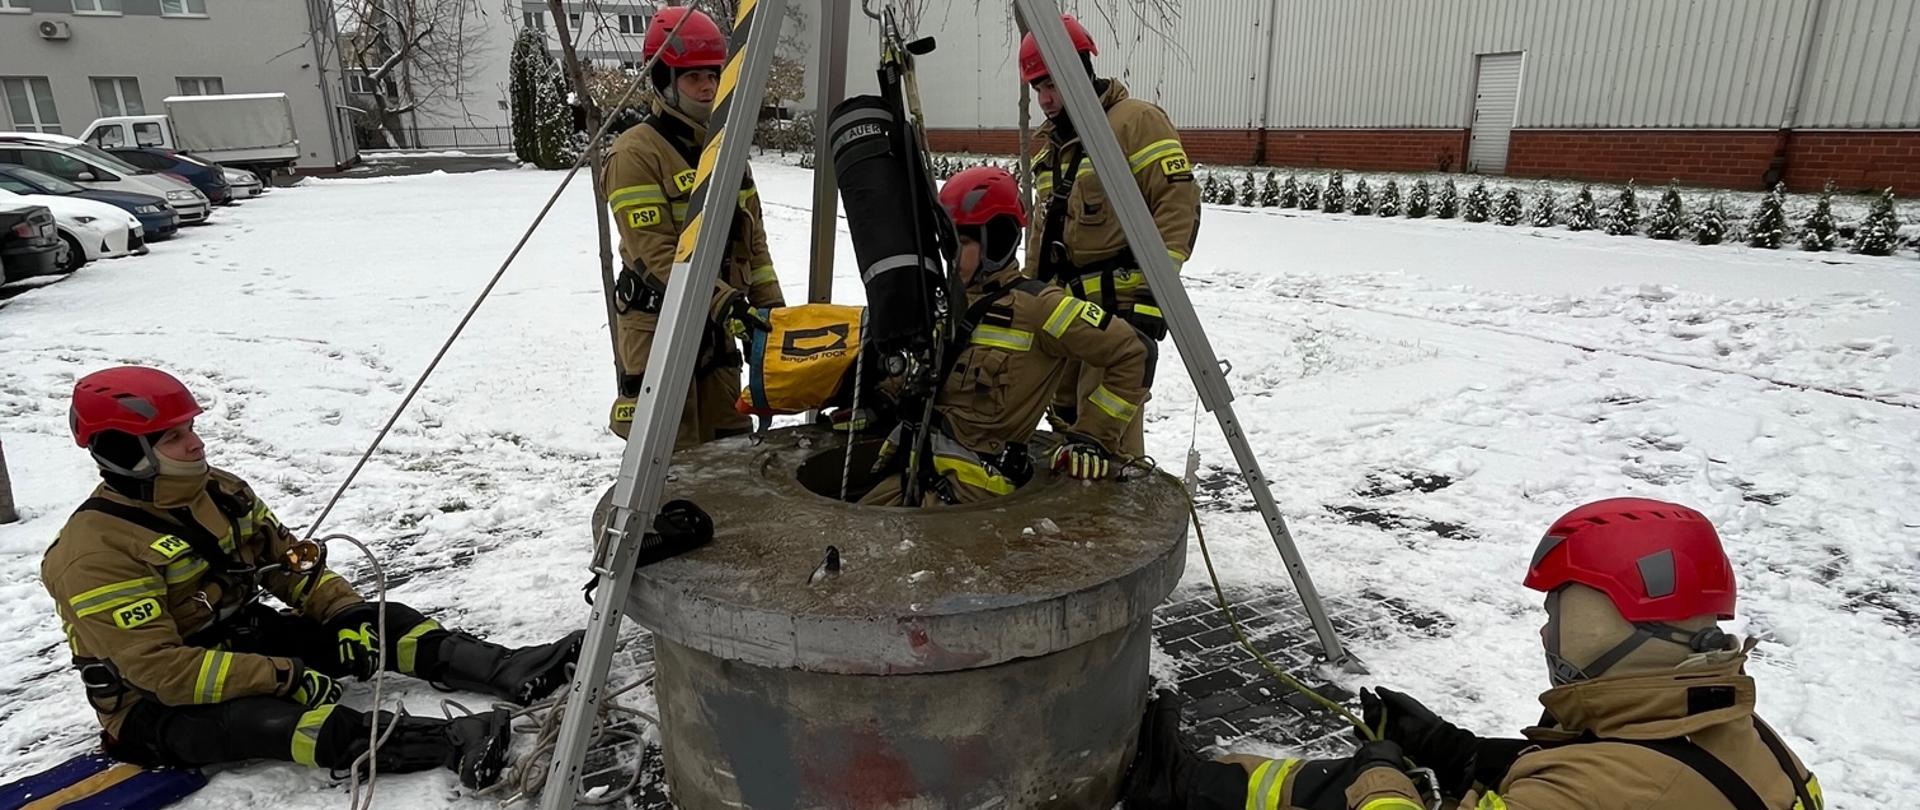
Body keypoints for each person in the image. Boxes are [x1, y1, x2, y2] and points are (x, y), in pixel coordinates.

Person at [43, 366, 584, 788]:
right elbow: (162, 672)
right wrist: (284, 677)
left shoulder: (221, 491)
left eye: (192, 428)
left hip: (238, 641)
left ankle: (511, 670)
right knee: (273, 721)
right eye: (173, 437)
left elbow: (289, 566)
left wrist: (344, 613)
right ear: (124, 454)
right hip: (153, 704)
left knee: (383, 623)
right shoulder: (93, 554)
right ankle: (451, 741)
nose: (196, 444)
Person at [1125, 497, 1825, 810]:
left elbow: (1592, 787)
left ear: (1638, 631)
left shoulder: (1585, 792)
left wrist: (1380, 779)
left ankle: (1184, 790)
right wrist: (1456, 750)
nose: (1550, 636)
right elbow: (1629, 768)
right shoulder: (1739, 732)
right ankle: (1201, 787)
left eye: (1569, 615)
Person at [860, 167, 1156, 506]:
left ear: (997, 241)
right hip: (915, 467)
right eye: (948, 241)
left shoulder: (1040, 309)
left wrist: (1092, 436)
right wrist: (883, 398)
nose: (951, 255)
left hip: (972, 493)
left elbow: (1136, 352)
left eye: (964, 242)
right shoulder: (945, 304)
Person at [1019, 14, 1200, 459]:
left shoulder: (1135, 122)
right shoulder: (1051, 147)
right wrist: (1026, 300)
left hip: (1118, 317)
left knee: (1107, 437)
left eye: (1052, 85)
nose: (1045, 99)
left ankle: (1118, 524)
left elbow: (1176, 209)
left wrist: (1151, 302)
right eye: (1038, 88)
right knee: (1063, 423)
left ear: (1081, 68)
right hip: (1065, 317)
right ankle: (1074, 522)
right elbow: (1043, 237)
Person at [602, 7, 784, 446]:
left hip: (720, 329)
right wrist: (726, 303)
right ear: (664, 81)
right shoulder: (635, 154)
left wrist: (775, 314)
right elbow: (655, 254)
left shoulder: (726, 148)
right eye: (692, 77)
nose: (707, 87)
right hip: (659, 330)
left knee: (729, 450)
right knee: (669, 458)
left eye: (712, 75)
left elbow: (752, 244)